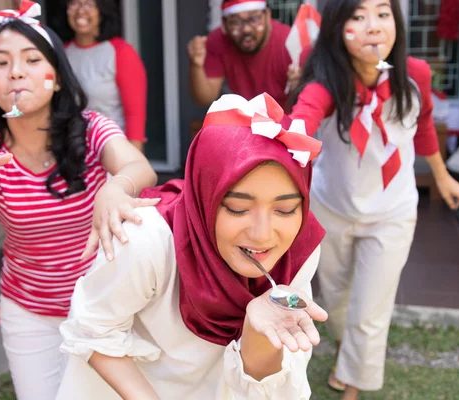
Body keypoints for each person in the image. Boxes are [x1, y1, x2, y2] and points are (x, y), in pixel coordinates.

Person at [0, 2, 157, 399]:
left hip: (106, 305)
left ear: (56, 77)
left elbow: (137, 166)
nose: (16, 72)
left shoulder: (91, 128)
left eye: (31, 59)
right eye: (1, 62)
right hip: (29, 311)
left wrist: (116, 186)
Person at [56, 93, 328, 399]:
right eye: (238, 209)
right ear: (204, 196)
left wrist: (257, 330)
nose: (263, 235)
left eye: (285, 210)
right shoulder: (147, 241)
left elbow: (263, 384)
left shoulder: (298, 250)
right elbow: (94, 331)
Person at [287, 0, 459, 398]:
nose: (373, 26)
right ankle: (347, 350)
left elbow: (422, 124)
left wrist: (442, 179)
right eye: (357, 16)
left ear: (396, 22)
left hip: (392, 210)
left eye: (383, 13)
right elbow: (304, 117)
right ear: (338, 27)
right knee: (336, 299)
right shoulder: (325, 80)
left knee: (370, 309)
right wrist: (289, 140)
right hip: (331, 207)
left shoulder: (416, 75)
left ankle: (354, 383)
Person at [64, 0, 147, 152]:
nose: (81, 11)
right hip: (71, 151)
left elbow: (135, 116)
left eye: (89, 4)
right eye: (74, 3)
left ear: (102, 11)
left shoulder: (121, 52)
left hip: (111, 150)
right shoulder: (62, 53)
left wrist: (134, 160)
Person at [187, 0, 301, 108]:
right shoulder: (218, 41)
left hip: (286, 122)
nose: (246, 29)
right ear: (224, 24)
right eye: (236, 21)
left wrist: (300, 86)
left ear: (267, 15)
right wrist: (197, 65)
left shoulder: (291, 43)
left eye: (254, 18)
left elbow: (308, 105)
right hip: (244, 122)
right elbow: (205, 99)